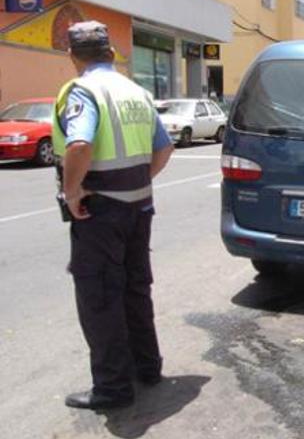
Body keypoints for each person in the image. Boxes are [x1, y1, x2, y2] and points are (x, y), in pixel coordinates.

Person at [52, 21, 174, 409]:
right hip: (139, 206)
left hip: (100, 212)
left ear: (73, 56)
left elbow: (80, 144)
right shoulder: (136, 91)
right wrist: (137, 180)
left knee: (101, 295)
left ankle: (113, 388)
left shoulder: (82, 91)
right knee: (135, 288)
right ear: (110, 52)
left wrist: (72, 193)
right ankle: (147, 367)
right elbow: (165, 148)